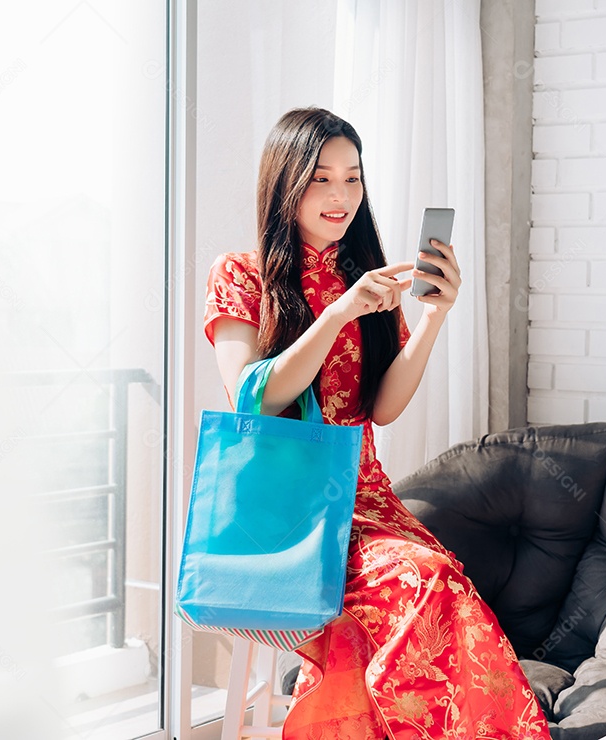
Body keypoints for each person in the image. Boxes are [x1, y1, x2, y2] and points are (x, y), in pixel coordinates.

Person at [202, 107, 550, 739]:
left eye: (353, 179)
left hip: (365, 503)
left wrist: (435, 318)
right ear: (285, 184)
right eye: (320, 179)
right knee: (425, 581)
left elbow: (383, 407)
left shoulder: (366, 277)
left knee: (442, 583)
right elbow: (253, 400)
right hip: (285, 513)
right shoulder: (240, 273)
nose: (341, 197)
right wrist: (337, 313)